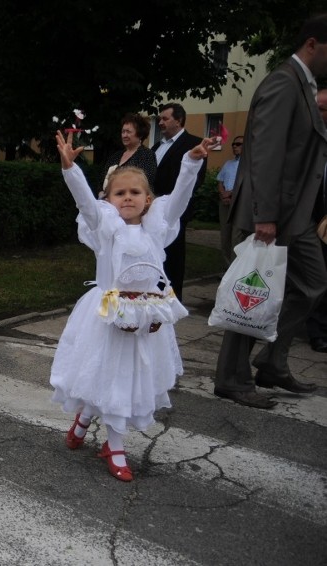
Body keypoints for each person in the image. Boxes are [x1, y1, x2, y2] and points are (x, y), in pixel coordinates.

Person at [50, 129, 211, 482]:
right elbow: (85, 206)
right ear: (108, 199)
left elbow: (180, 198)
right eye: (119, 193)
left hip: (147, 316)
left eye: (135, 192)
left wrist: (191, 162)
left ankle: (85, 421)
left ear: (148, 199)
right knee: (108, 375)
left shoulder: (157, 229)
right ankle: (115, 444)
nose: (127, 198)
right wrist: (70, 170)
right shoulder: (106, 228)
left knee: (127, 377)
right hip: (107, 316)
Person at [215, 14, 327, 409]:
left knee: (312, 283)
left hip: (297, 215)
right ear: (312, 44)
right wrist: (265, 214)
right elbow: (264, 153)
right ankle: (231, 377)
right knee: (252, 288)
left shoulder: (306, 86)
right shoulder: (284, 82)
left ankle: (272, 361)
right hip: (274, 213)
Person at [151, 103, 208, 299]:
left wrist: (166, 199)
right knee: (153, 254)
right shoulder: (157, 146)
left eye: (165, 119)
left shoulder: (194, 144)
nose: (160, 122)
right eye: (160, 119)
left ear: (179, 120)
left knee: (173, 256)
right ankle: (152, 293)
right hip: (151, 209)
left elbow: (194, 180)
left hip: (173, 210)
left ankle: (171, 298)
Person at [306, 88, 327, 353]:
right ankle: (317, 331)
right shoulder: (306, 140)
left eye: (322, 108)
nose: (318, 112)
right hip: (310, 220)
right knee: (316, 277)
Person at [102, 113, 157, 193]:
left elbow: (144, 182)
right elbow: (102, 179)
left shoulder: (147, 155)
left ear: (140, 134)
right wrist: (101, 193)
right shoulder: (116, 156)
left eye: (128, 132)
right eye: (123, 132)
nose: (124, 135)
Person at [216, 135, 244, 265]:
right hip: (225, 202)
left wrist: (231, 194)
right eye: (233, 144)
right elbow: (220, 181)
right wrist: (223, 194)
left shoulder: (248, 165)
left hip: (239, 203)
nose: (234, 146)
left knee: (236, 237)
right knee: (225, 236)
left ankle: (236, 269)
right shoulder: (228, 163)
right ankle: (227, 269)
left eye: (238, 144)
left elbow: (245, 184)